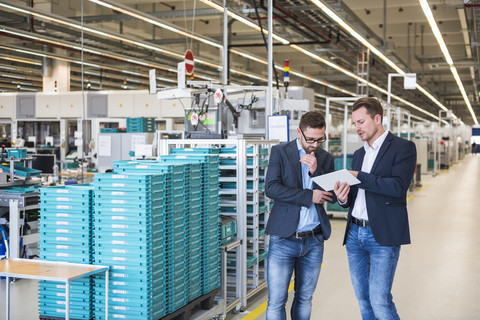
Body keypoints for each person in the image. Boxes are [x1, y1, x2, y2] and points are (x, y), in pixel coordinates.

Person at [334, 97, 416, 320]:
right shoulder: (359, 153)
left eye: (361, 122)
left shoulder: (403, 147)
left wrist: (359, 176)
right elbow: (355, 196)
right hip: (354, 234)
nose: (357, 128)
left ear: (377, 118)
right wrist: (343, 198)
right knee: (363, 300)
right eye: (355, 124)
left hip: (382, 235)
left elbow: (397, 187)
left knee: (380, 300)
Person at [265, 111, 335, 320]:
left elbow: (330, 195)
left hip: (314, 240)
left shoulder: (325, 158)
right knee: (277, 301)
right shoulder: (280, 152)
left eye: (320, 139)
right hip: (283, 239)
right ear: (299, 132)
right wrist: (308, 196)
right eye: (310, 139)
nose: (315, 144)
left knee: (305, 298)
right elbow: (271, 188)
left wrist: (316, 172)